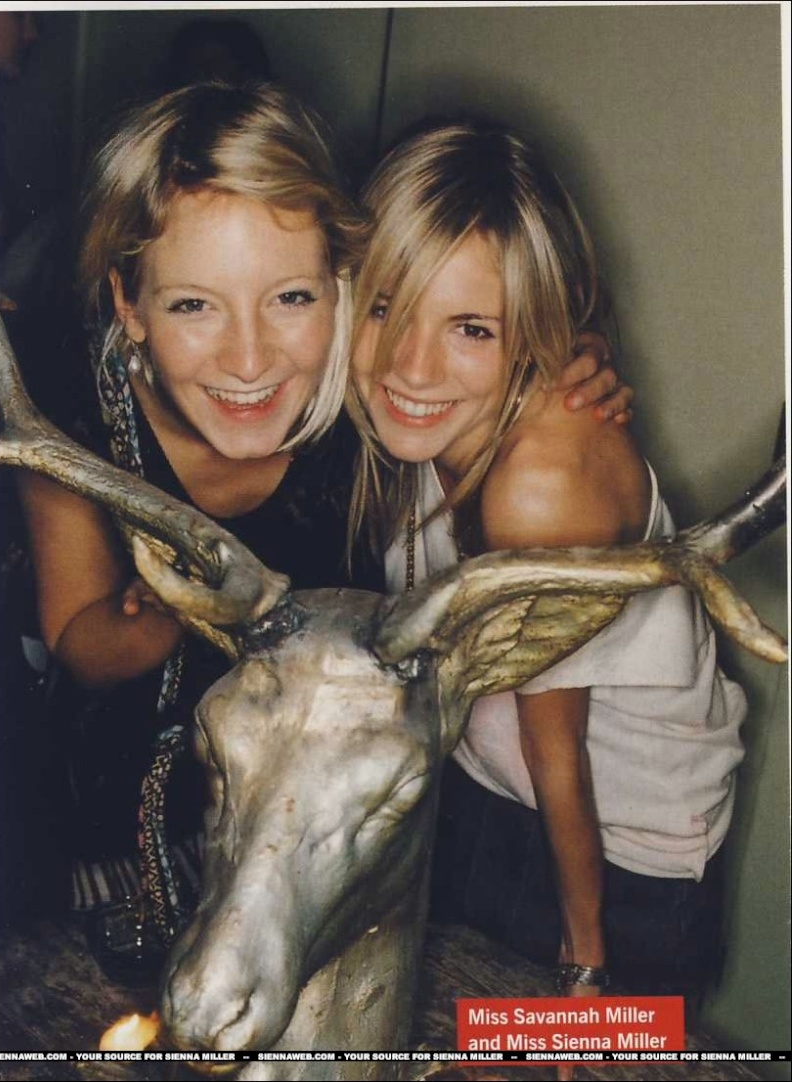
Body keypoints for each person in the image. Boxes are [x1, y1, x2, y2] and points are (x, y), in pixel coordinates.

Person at [9, 83, 626, 979]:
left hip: (318, 851)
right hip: (108, 841)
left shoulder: (373, 396)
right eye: (192, 306)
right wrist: (172, 612)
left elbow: (472, 324)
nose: (250, 358)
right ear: (129, 306)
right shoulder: (71, 415)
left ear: (344, 285)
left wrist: (571, 360)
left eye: (291, 297)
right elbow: (76, 638)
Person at [347, 119, 747, 1016]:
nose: (411, 364)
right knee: (454, 1046)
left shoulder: (539, 488)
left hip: (619, 860)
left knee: (581, 1063)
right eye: (385, 307)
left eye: (471, 328)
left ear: (530, 335)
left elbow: (555, 752)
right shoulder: (431, 409)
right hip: (487, 793)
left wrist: (587, 971)